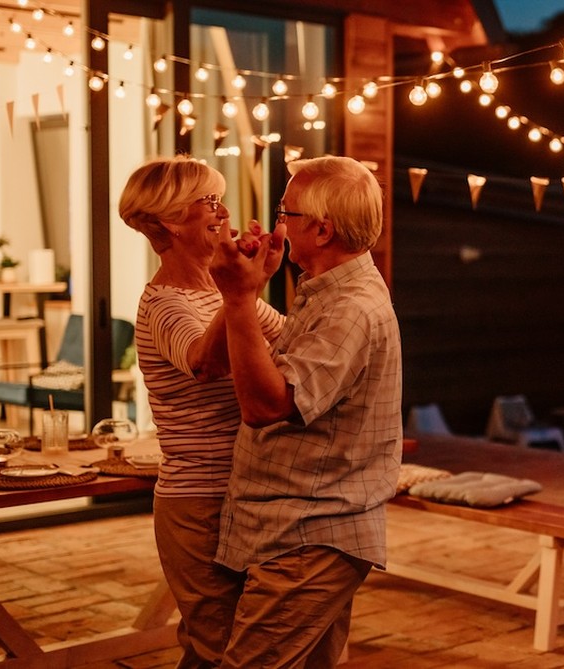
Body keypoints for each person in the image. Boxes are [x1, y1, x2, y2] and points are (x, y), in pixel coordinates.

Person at [209, 155, 403, 667]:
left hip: (311, 535)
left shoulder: (350, 309)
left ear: (322, 229)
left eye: (286, 212)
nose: (279, 225)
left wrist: (237, 297)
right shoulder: (325, 293)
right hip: (296, 527)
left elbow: (265, 405)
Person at [119, 156, 284, 668]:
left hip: (244, 491)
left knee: (216, 645)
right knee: (223, 647)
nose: (223, 210)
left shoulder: (222, 292)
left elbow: (290, 341)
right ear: (169, 219)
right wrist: (242, 292)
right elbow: (204, 361)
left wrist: (252, 281)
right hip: (197, 502)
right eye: (208, 200)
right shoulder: (164, 303)